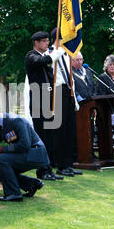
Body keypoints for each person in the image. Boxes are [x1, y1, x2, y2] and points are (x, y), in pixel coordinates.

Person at [24, 31, 63, 180]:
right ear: (36, 43)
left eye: (48, 41)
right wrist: (54, 55)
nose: (48, 43)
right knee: (41, 138)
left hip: (47, 100)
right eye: (45, 41)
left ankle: (49, 168)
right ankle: (41, 171)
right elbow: (41, 62)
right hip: (38, 102)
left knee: (50, 137)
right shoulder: (31, 56)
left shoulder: (43, 58)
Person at [49, 27, 82, 177]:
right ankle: (60, 165)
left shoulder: (68, 55)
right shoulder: (51, 54)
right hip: (57, 92)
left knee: (70, 131)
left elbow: (71, 79)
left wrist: (74, 98)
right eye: (65, 39)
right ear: (57, 39)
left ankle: (69, 164)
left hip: (68, 92)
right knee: (60, 131)